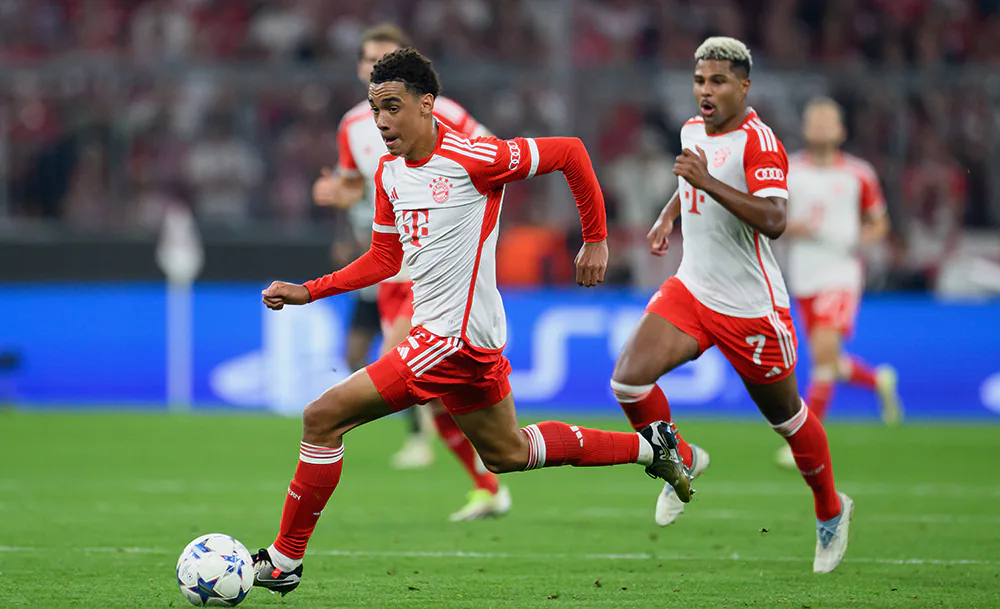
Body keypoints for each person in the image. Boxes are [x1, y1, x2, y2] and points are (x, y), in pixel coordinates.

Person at [250, 48, 689, 596]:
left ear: (426, 104)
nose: (380, 121)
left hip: (451, 338)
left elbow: (570, 152)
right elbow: (384, 259)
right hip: (462, 339)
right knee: (508, 453)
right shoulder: (389, 174)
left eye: (392, 107)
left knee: (322, 417)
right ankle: (654, 447)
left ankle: (284, 560)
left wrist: (595, 239)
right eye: (374, 108)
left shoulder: (475, 157)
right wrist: (309, 290)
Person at [609, 37, 853, 574]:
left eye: (718, 81)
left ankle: (831, 509)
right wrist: (669, 214)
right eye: (700, 81)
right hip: (693, 288)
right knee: (628, 381)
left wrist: (706, 182)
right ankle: (681, 458)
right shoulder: (691, 130)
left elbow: (775, 219)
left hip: (751, 308)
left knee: (787, 418)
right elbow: (691, 180)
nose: (706, 90)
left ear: (744, 86)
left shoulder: (760, 143)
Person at [313, 24, 507, 521]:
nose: (373, 66)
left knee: (396, 365)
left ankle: (424, 446)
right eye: (367, 58)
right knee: (436, 394)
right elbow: (354, 186)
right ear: (361, 68)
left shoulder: (446, 113)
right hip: (387, 267)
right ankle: (487, 486)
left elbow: (489, 154)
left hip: (430, 267)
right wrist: (338, 195)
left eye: (384, 56)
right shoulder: (351, 126)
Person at [777, 98, 904, 468]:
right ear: (804, 128)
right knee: (828, 360)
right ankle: (878, 380)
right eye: (813, 119)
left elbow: (880, 222)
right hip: (804, 275)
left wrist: (860, 239)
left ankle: (804, 444)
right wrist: (790, 227)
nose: (820, 125)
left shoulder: (858, 174)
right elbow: (771, 219)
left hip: (840, 273)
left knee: (823, 355)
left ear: (841, 130)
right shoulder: (790, 171)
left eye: (827, 120)